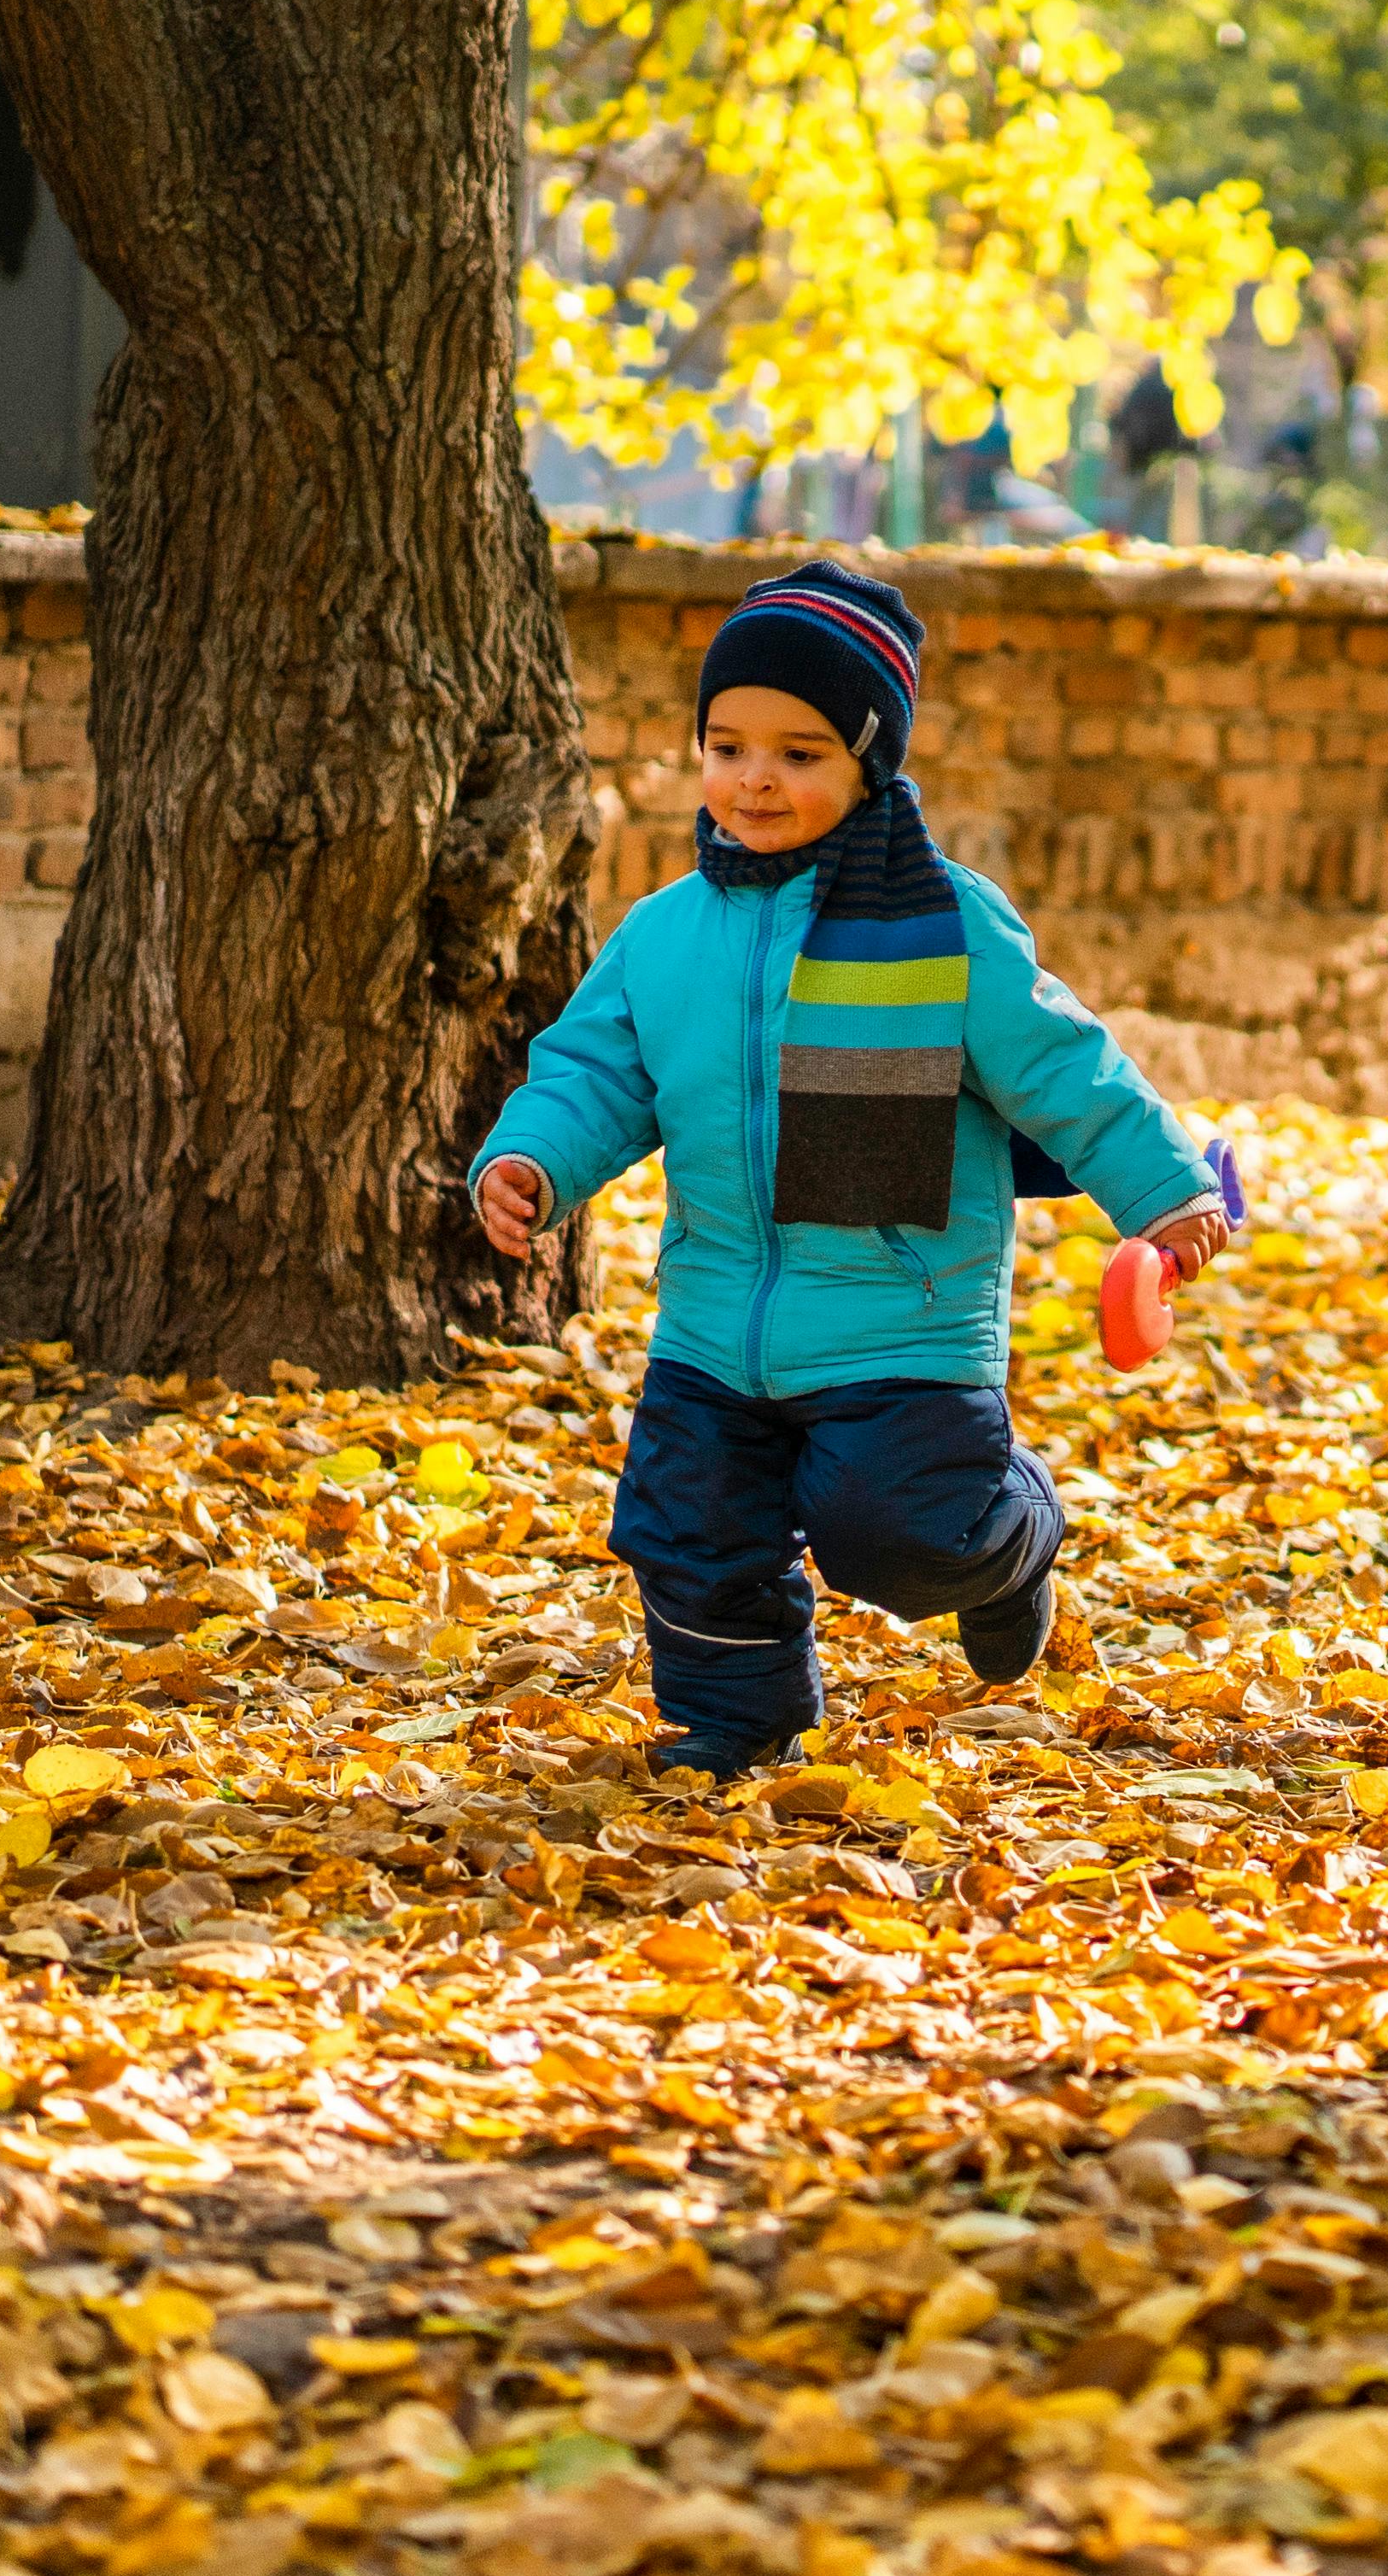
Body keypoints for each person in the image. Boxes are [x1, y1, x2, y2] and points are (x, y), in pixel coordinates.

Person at [469, 562, 1230, 1778]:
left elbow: (1064, 1066)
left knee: (902, 1539)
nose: (756, 778)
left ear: (870, 760)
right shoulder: (663, 934)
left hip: (900, 1324)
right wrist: (532, 1160)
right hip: (715, 1326)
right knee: (685, 1529)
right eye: (728, 745)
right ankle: (735, 1722)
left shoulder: (944, 924)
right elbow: (595, 1073)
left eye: (802, 752)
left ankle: (1015, 1535)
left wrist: (1169, 1190)